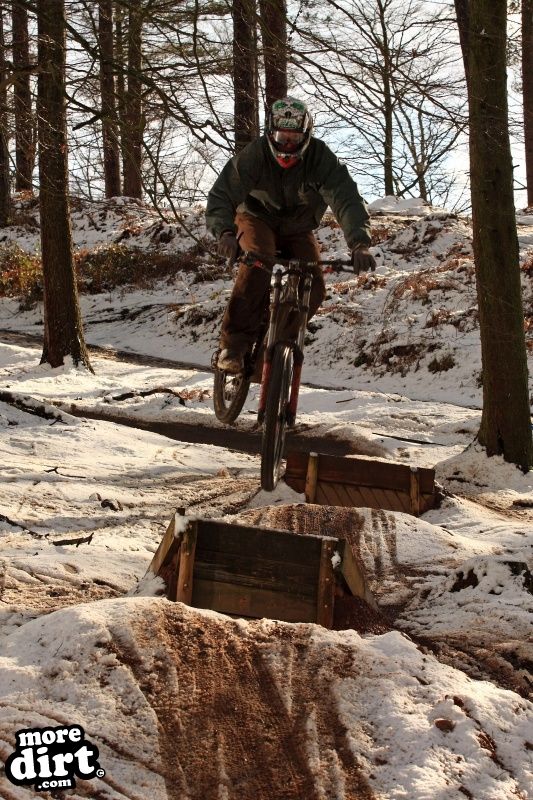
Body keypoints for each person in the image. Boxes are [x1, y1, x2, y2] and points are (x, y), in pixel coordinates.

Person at [206, 96, 376, 373]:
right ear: (270, 133)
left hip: (298, 226)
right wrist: (224, 231)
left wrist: (359, 244)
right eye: (281, 136)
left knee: (315, 285)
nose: (287, 144)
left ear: (306, 135)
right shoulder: (256, 155)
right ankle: (233, 347)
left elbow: (346, 200)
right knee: (259, 260)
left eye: (293, 137)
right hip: (255, 216)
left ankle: (272, 353)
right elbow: (223, 193)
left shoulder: (321, 158)